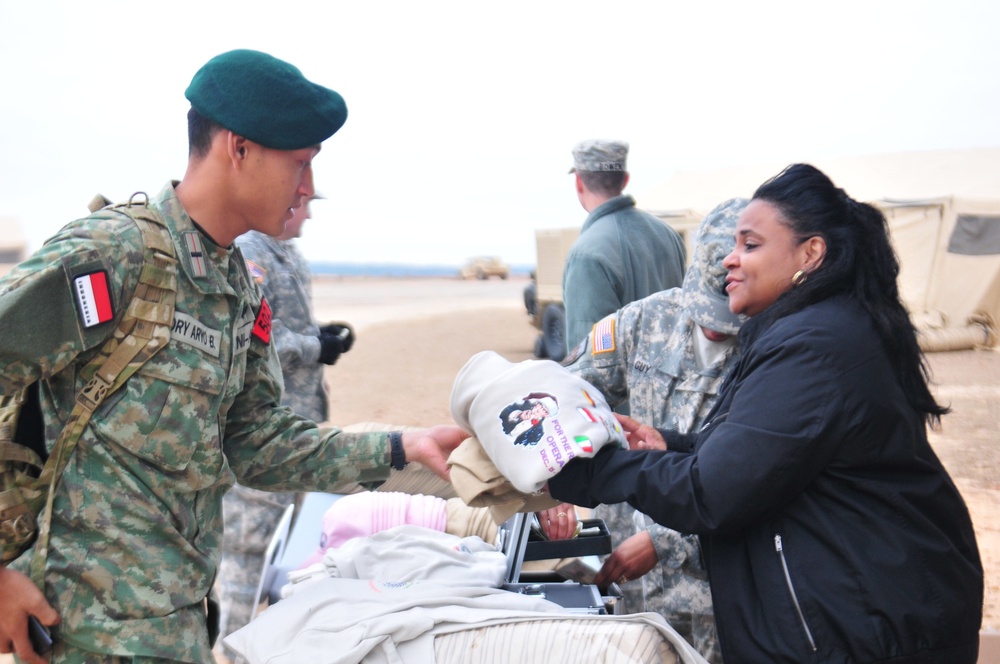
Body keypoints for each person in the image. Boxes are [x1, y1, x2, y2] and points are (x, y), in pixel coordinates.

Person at [0, 49, 465, 664]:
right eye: (299, 163)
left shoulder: (234, 287)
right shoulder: (117, 255)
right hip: (79, 635)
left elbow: (258, 446)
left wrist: (402, 448)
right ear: (239, 149)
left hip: (178, 629)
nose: (309, 188)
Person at [548, 163, 984, 663]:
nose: (733, 261)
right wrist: (675, 445)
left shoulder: (814, 345)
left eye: (751, 246)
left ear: (811, 252)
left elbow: (715, 491)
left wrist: (580, 470)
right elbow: (768, 448)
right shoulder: (816, 327)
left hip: (864, 627)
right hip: (853, 613)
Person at [551, 198, 749, 663]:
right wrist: (556, 474)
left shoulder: (774, 349)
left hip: (718, 598)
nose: (716, 328)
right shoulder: (642, 321)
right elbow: (566, 393)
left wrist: (666, 542)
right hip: (630, 584)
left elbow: (763, 482)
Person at [213, 196, 356, 657]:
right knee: (246, 558)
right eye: (303, 203)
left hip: (295, 431)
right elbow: (253, 341)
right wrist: (317, 347)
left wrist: (320, 334)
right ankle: (231, 651)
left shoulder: (288, 256)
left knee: (284, 557)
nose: (309, 213)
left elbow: (280, 322)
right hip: (263, 435)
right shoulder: (251, 252)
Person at [562, 139, 686, 359]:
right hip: (671, 387)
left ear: (579, 183)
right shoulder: (668, 234)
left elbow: (587, 358)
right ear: (625, 180)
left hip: (623, 392)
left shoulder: (587, 253)